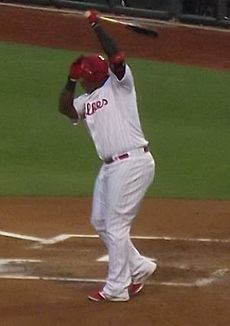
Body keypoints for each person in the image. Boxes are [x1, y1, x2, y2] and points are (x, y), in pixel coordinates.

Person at [59, 9, 157, 302]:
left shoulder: (121, 86)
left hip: (133, 163)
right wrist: (69, 80)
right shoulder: (86, 100)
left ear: (92, 78)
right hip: (110, 168)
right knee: (101, 222)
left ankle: (117, 288)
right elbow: (64, 109)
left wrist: (96, 25)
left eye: (83, 77)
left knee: (116, 226)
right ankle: (138, 267)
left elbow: (116, 57)